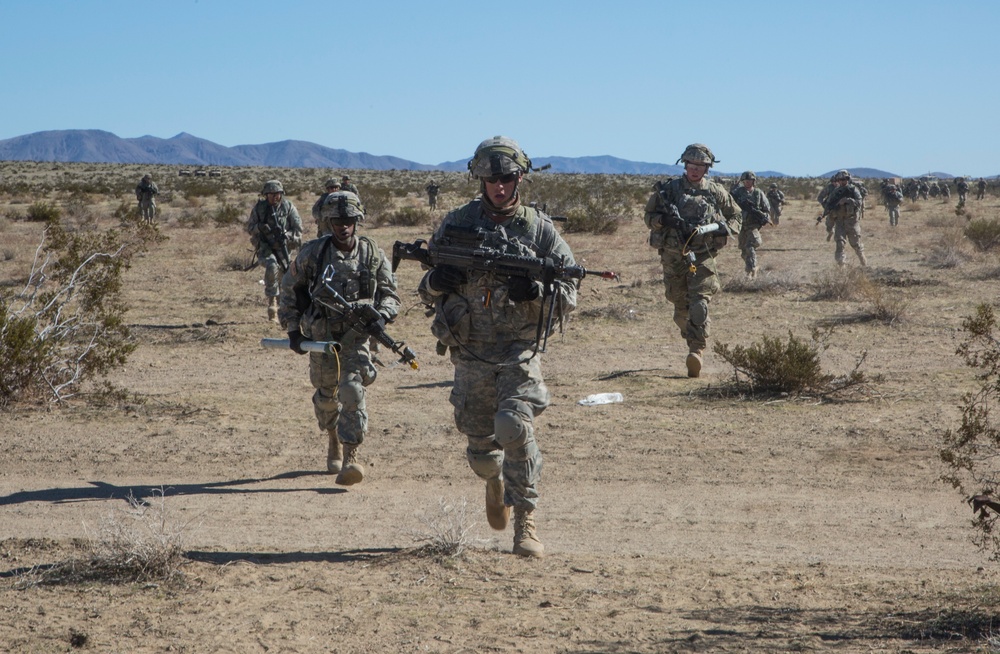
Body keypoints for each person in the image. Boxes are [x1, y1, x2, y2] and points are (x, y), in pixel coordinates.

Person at [417, 136, 578, 558]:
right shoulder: (456, 224)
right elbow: (426, 283)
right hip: (469, 349)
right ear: (479, 180)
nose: (499, 187)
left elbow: (570, 290)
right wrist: (438, 281)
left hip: (518, 349)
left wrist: (539, 291)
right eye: (491, 179)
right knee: (480, 446)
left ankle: (526, 523)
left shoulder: (540, 229)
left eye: (506, 178)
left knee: (514, 426)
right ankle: (494, 482)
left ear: (519, 177)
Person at [278, 192, 399, 485]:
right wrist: (293, 330)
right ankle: (332, 435)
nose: (343, 226)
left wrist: (381, 315)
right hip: (322, 339)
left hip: (357, 339)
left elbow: (391, 295)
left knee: (352, 392)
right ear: (328, 222)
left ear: (357, 222)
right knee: (326, 398)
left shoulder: (372, 254)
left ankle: (350, 457)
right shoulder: (313, 253)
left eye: (348, 220)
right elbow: (289, 291)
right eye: (337, 221)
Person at [643, 143, 740, 378]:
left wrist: (718, 228)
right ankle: (694, 336)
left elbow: (736, 216)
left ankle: (696, 350)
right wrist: (667, 222)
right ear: (685, 165)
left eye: (700, 166)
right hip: (674, 255)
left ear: (707, 168)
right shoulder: (669, 190)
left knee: (699, 303)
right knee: (679, 308)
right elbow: (649, 216)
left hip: (702, 255)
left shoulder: (716, 192)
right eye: (691, 165)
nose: (695, 170)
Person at [246, 180, 303, 322]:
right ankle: (272, 305)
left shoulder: (288, 207)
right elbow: (250, 228)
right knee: (272, 266)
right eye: (270, 194)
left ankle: (286, 309)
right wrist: (260, 227)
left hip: (284, 248)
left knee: (286, 276)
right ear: (266, 195)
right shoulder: (260, 208)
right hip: (265, 247)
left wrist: (287, 235)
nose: (274, 197)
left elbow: (298, 230)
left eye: (277, 194)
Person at [730, 171, 771, 278]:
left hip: (753, 225)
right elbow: (730, 204)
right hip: (741, 225)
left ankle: (752, 269)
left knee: (750, 245)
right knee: (744, 250)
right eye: (746, 181)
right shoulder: (737, 193)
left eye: (750, 181)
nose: (748, 183)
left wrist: (764, 217)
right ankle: (750, 268)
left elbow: (766, 208)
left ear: (754, 181)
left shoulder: (758, 193)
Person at [821, 170, 866, 266]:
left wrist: (848, 200)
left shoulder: (853, 190)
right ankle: (842, 267)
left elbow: (859, 202)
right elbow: (829, 205)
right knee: (840, 244)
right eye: (840, 179)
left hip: (851, 221)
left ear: (848, 179)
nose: (842, 181)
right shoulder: (835, 192)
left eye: (844, 179)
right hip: (840, 222)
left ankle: (863, 262)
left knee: (856, 244)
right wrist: (828, 215)